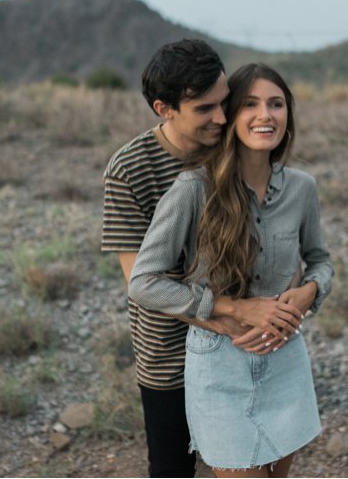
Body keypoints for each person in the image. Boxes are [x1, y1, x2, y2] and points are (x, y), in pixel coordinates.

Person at [102, 41, 304, 478]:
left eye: (223, 103)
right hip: (169, 355)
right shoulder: (129, 169)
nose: (220, 117)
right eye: (204, 108)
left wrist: (292, 298)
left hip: (243, 347)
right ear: (164, 108)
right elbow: (142, 282)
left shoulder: (233, 147)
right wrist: (230, 312)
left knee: (259, 458)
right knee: (173, 468)